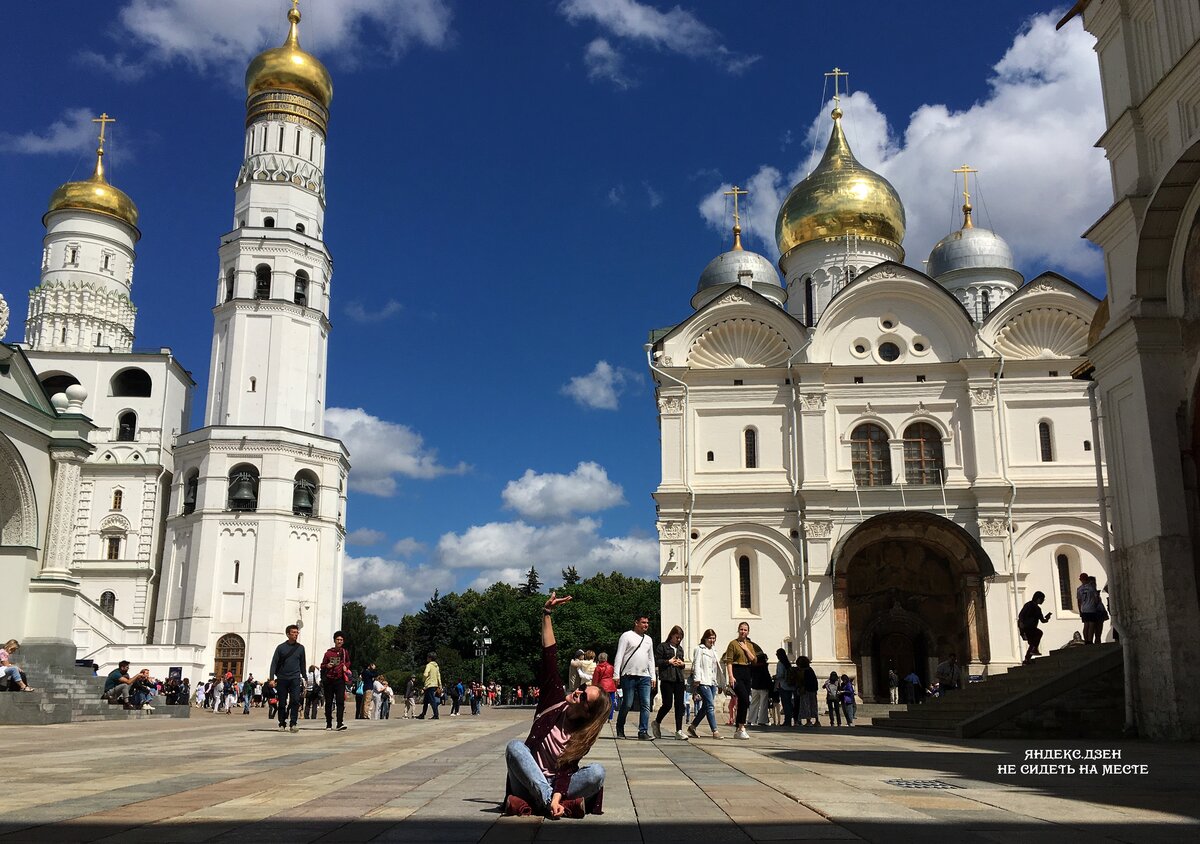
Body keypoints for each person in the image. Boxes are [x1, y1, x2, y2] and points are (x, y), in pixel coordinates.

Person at [503, 591, 608, 819]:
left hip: (558, 785)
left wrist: (557, 795)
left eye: (583, 697)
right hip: (528, 779)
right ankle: (553, 803)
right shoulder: (554, 702)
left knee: (598, 773)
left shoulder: (581, 734)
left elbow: (566, 772)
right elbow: (549, 655)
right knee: (515, 748)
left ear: (587, 712)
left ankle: (544, 803)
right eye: (581, 689)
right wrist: (547, 613)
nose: (578, 692)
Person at [613, 612, 657, 740]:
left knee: (646, 704)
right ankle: (620, 726)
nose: (646, 625)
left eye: (647, 623)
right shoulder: (626, 636)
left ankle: (642, 731)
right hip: (629, 675)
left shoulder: (648, 639)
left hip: (644, 676)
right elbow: (619, 655)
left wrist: (653, 676)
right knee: (627, 703)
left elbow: (651, 659)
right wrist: (616, 674)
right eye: (643, 622)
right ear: (636, 623)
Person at [722, 622, 761, 740]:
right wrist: (730, 676)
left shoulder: (749, 644)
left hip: (747, 672)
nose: (743, 631)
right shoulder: (733, 644)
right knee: (743, 698)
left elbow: (754, 660)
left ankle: (739, 727)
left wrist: (745, 649)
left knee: (745, 701)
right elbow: (729, 661)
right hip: (736, 671)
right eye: (741, 629)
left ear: (748, 631)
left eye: (745, 630)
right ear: (738, 630)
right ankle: (741, 727)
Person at [652, 625, 688, 740]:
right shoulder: (662, 647)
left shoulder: (680, 649)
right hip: (667, 678)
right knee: (667, 704)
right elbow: (657, 661)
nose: (678, 640)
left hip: (679, 679)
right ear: (671, 635)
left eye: (680, 638)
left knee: (679, 705)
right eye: (677, 637)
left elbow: (682, 663)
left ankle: (679, 730)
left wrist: (682, 664)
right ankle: (657, 722)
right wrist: (669, 661)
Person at [269, 624, 307, 732]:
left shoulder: (300, 648)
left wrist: (304, 678)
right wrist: (271, 678)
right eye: (293, 632)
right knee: (282, 702)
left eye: (297, 632)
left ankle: (293, 723)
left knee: (295, 700)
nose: (296, 634)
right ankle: (282, 723)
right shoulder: (281, 648)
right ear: (288, 634)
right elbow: (274, 663)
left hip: (295, 678)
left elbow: (302, 664)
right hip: (282, 678)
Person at [687, 628, 722, 739]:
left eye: (713, 638)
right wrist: (697, 679)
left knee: (706, 707)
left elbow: (716, 668)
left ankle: (692, 726)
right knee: (710, 706)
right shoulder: (699, 649)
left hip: (712, 682)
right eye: (710, 638)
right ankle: (715, 731)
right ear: (705, 638)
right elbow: (696, 664)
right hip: (702, 681)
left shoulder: (714, 651)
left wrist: (719, 683)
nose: (712, 640)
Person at [320, 630, 351, 731]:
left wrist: (345, 667)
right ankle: (328, 723)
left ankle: (339, 723)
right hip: (329, 680)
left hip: (339, 679)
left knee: (340, 701)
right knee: (328, 702)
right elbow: (322, 665)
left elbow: (348, 662)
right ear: (334, 640)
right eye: (338, 639)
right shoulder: (328, 653)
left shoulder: (344, 652)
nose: (339, 641)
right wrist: (327, 665)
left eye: (341, 640)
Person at [1018, 591, 1053, 664]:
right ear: (1038, 599)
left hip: (1031, 628)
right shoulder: (1029, 605)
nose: (1043, 601)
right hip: (1027, 628)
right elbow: (1021, 614)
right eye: (1042, 599)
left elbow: (1042, 620)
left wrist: (1047, 618)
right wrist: (1021, 624)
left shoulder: (1037, 609)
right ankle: (1031, 653)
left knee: (1033, 643)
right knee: (1038, 635)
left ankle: (1027, 659)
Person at [1077, 573, 1106, 644]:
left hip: (1084, 609)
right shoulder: (1091, 588)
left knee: (1086, 625)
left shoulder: (1079, 589)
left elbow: (1079, 600)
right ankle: (1090, 640)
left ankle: (1086, 640)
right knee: (1091, 625)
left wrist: (1080, 610)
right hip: (1091, 608)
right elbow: (1096, 599)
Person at [591, 652, 617, 721]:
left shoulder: (598, 668)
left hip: (602, 686)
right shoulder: (611, 667)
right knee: (611, 702)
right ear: (606, 658)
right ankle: (610, 717)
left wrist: (594, 687)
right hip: (611, 686)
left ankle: (602, 717)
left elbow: (595, 679)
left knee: (602, 703)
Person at [796, 656, 820, 727]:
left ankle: (808, 721)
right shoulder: (810, 670)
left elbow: (801, 681)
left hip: (806, 690)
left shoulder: (802, 671)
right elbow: (815, 680)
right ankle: (817, 721)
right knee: (814, 705)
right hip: (813, 690)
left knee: (806, 705)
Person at [774, 649, 796, 727]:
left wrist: (775, 676)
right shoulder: (787, 663)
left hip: (783, 686)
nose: (776, 655)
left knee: (786, 704)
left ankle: (787, 721)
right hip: (790, 686)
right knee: (789, 704)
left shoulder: (780, 663)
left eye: (777, 654)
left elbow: (780, 675)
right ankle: (789, 720)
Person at [418, 651, 442, 720]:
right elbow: (438, 676)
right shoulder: (436, 666)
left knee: (432, 700)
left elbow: (425, 674)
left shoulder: (429, 665)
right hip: (435, 684)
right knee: (426, 700)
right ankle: (423, 714)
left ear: (430, 658)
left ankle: (436, 715)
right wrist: (440, 685)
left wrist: (423, 679)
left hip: (429, 685)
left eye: (427, 657)